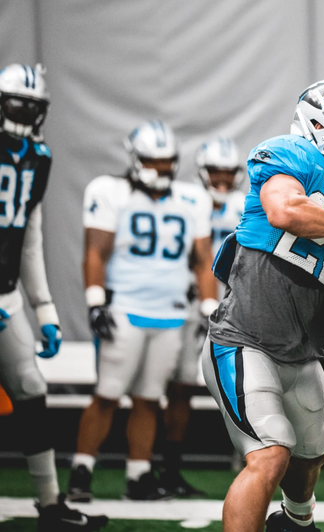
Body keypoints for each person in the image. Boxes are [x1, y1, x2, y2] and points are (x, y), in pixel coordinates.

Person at [202, 79, 324, 532]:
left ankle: (297, 524)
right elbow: (284, 212)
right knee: (270, 453)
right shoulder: (293, 154)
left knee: (313, 454)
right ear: (320, 124)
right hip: (245, 341)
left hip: (302, 353)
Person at [69, 119, 217, 501]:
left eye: (168, 161)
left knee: (150, 398)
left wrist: (207, 306)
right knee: (107, 393)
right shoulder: (110, 191)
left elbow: (203, 260)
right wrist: (95, 301)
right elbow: (94, 252)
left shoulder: (191, 199)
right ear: (136, 159)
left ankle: (139, 475)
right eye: (154, 161)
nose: (163, 168)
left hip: (170, 312)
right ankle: (81, 471)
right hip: (126, 308)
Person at [0, 62, 108, 531]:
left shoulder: (38, 157)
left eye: (33, 106)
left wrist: (43, 306)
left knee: (30, 387)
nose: (24, 113)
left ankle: (49, 503)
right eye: (16, 103)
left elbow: (29, 236)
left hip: (7, 297)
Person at [161, 137, 246, 496]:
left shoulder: (247, 204)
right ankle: (170, 467)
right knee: (179, 387)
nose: (222, 179)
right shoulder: (181, 201)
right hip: (188, 304)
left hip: (236, 305)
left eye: (228, 172)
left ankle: (251, 467)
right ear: (202, 172)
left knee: (246, 385)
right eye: (216, 171)